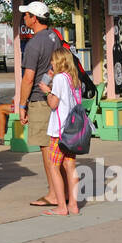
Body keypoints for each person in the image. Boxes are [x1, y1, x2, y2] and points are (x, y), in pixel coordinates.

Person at [17, 0, 61, 192]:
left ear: (34, 18)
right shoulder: (54, 37)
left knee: (46, 148)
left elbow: (28, 78)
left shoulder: (34, 44)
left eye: (26, 15)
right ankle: (60, 190)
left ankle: (54, 192)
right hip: (54, 96)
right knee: (55, 146)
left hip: (39, 100)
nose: (24, 18)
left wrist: (21, 105)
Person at [37, 47, 83, 215]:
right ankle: (73, 204)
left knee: (54, 167)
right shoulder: (75, 79)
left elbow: (53, 104)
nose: (51, 63)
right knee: (70, 166)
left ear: (59, 61)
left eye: (53, 60)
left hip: (59, 130)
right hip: (73, 130)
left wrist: (47, 91)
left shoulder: (59, 79)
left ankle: (61, 207)